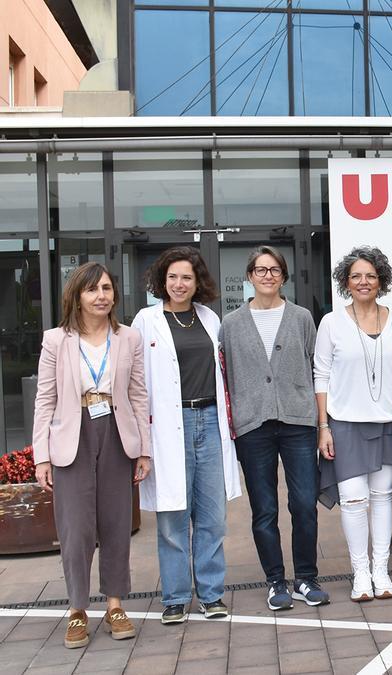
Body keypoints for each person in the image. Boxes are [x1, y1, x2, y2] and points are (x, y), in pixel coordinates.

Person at [32, 263, 152, 648]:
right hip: (73, 435)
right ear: (77, 296)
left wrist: (144, 449)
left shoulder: (128, 337)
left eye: (106, 288)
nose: (101, 296)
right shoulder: (56, 340)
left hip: (117, 433)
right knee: (76, 529)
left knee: (116, 523)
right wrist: (41, 456)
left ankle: (115, 605)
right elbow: (45, 399)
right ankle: (78, 610)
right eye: (92, 290)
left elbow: (137, 395)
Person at [133, 246, 241, 625]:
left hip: (209, 421)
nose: (179, 284)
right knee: (172, 516)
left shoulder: (210, 318)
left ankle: (211, 595)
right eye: (173, 277)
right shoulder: (145, 321)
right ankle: (176, 597)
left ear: (198, 283)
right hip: (167, 425)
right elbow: (136, 381)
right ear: (162, 280)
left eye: (187, 278)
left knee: (212, 516)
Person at [222, 246, 329, 610]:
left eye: (274, 270)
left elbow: (318, 370)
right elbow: (225, 375)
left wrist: (322, 422)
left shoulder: (301, 318)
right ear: (250, 276)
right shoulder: (231, 324)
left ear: (283, 276)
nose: (267, 275)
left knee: (303, 503)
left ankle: (306, 577)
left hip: (298, 421)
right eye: (260, 269)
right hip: (253, 426)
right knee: (264, 508)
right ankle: (275, 581)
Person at [316, 246, 392, 602]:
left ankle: (381, 571)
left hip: (389, 424)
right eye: (356, 276)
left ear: (381, 281)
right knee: (354, 500)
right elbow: (321, 375)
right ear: (347, 282)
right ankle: (360, 573)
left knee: (381, 498)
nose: (364, 282)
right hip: (345, 425)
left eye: (371, 276)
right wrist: (323, 426)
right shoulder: (331, 322)